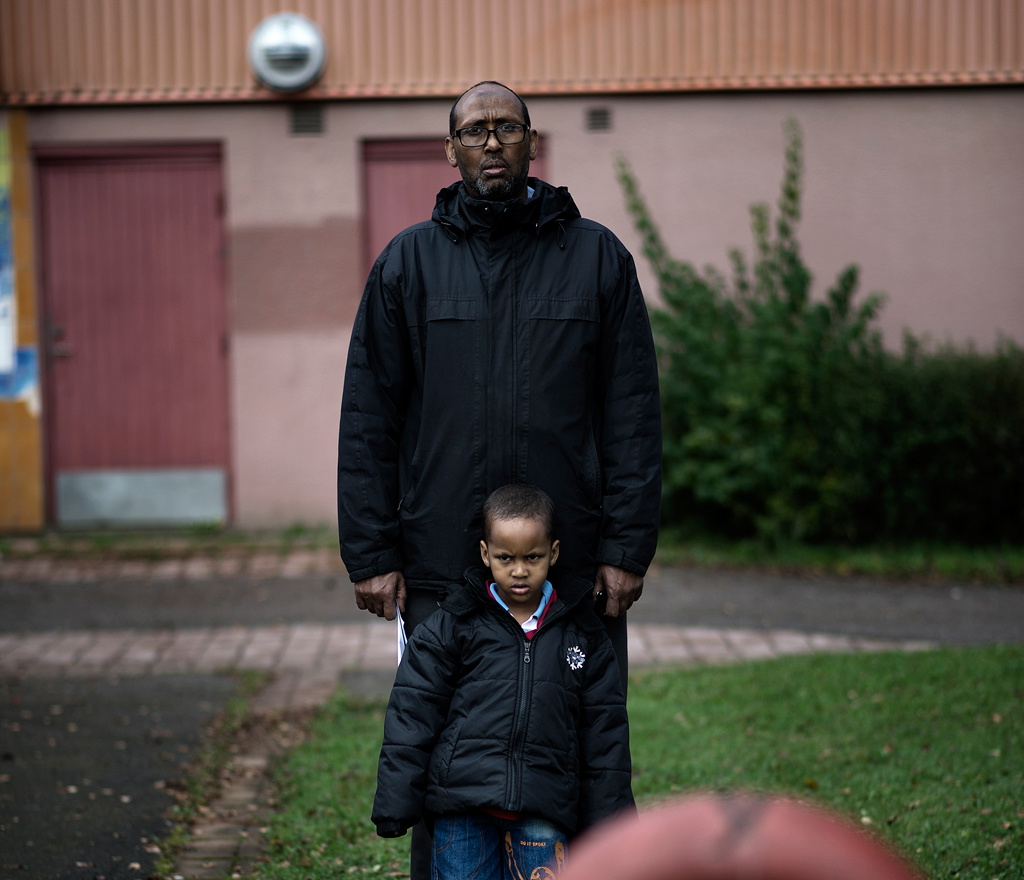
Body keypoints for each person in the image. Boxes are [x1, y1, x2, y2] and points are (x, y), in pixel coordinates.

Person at [338, 79, 661, 878]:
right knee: (448, 743)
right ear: (450, 150)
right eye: (474, 131)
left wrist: (626, 546)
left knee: (578, 746)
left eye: (506, 129)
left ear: (531, 142)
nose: (491, 143)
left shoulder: (596, 258)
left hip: (571, 568)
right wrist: (372, 551)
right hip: (445, 569)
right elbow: (368, 418)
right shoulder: (409, 263)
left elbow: (632, 415)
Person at [372, 484, 635, 880]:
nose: (518, 570)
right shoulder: (454, 624)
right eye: (505, 558)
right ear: (484, 554)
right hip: (461, 813)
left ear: (554, 553)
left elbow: (605, 735)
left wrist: (612, 824)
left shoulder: (582, 633)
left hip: (543, 814)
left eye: (532, 557)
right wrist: (396, 800)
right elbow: (414, 708)